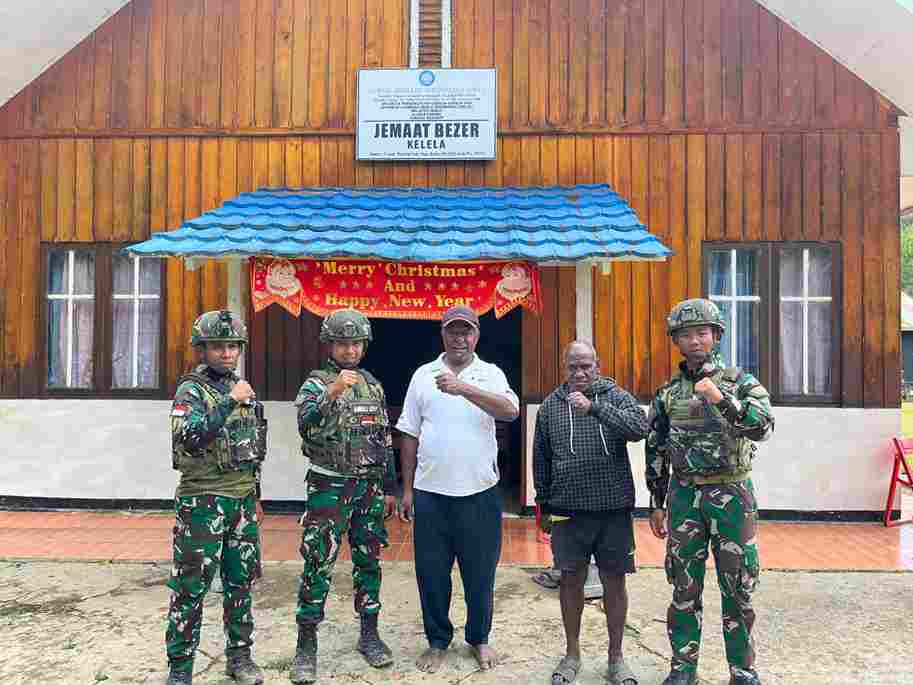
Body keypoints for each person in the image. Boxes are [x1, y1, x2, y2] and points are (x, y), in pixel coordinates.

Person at [646, 299, 774, 685]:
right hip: (685, 496)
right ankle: (683, 669)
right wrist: (656, 502)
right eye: (686, 334)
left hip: (732, 494)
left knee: (738, 587)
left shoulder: (740, 382)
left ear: (716, 336)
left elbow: (763, 427)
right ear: (676, 341)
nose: (695, 340)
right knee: (684, 587)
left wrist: (722, 400)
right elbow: (656, 447)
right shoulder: (668, 393)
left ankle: (743, 670)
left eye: (702, 332)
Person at [396, 305, 519, 673]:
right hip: (431, 493)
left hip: (479, 493)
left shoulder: (491, 373)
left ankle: (479, 638)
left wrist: (463, 387)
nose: (459, 338)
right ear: (443, 335)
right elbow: (409, 433)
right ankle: (437, 641)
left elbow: (510, 411)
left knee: (480, 573)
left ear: (476, 336)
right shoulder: (423, 375)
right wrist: (407, 490)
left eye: (466, 331)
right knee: (431, 574)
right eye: (453, 331)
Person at [290, 309, 397, 684]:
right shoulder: (316, 382)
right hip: (329, 487)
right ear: (329, 345)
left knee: (369, 560)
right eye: (342, 343)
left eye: (355, 343)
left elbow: (384, 439)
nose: (349, 350)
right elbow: (304, 423)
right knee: (318, 561)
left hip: (368, 488)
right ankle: (306, 645)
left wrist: (389, 487)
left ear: (364, 346)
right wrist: (332, 392)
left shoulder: (373, 385)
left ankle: (369, 634)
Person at [533, 341, 649, 685]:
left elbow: (640, 428)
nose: (580, 373)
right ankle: (572, 654)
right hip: (567, 509)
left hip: (613, 508)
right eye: (573, 367)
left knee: (614, 580)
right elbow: (541, 458)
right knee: (570, 580)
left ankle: (616, 657)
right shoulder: (550, 407)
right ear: (564, 367)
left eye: (586, 366)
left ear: (597, 365)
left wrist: (595, 408)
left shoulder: (615, 396)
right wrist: (544, 505)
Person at [166, 310, 267, 685]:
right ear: (202, 349)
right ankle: (180, 668)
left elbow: (251, 446)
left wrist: (256, 495)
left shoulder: (242, 387)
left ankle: (240, 658)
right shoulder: (190, 391)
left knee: (240, 584)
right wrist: (227, 403)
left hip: (241, 500)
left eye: (233, 346)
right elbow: (189, 437)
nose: (226, 353)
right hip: (203, 502)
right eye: (218, 347)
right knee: (190, 588)